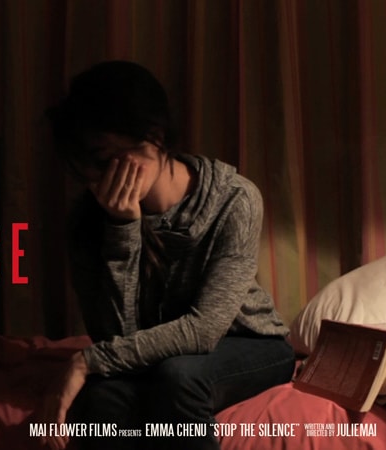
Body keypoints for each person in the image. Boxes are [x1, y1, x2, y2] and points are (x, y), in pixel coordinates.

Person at [37, 60, 294, 450]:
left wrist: (86, 360)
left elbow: (204, 330)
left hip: (249, 343)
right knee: (102, 400)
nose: (95, 180)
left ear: (154, 137)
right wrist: (122, 230)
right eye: (86, 168)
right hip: (156, 357)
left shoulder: (233, 199)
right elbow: (117, 341)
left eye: (104, 160)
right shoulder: (87, 222)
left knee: (179, 376)